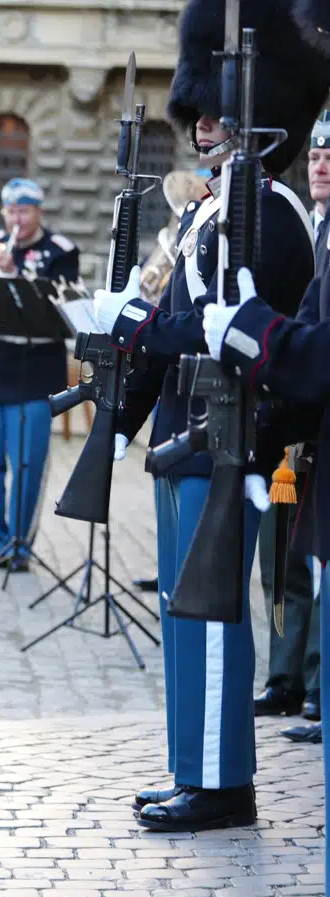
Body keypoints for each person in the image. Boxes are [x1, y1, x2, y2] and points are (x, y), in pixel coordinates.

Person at [89, 0, 324, 832]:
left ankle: (225, 783)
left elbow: (283, 345)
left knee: (220, 615)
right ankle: (192, 763)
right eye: (200, 113)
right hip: (183, 440)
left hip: (233, 443)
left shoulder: (277, 214)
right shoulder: (204, 217)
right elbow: (170, 332)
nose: (203, 127)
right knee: (185, 613)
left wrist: (265, 448)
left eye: (219, 114)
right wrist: (122, 419)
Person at [256, 113, 330, 736]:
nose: (321, 166)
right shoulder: (324, 229)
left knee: (313, 560)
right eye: (315, 158)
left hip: (311, 408)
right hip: (297, 405)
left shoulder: (308, 228)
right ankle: (290, 675)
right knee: (283, 558)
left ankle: (315, 682)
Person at [0, 177, 79, 573]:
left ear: (39, 212)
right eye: (10, 211)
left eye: (24, 211)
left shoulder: (60, 252)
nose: (17, 219)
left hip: (34, 370)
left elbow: (58, 310)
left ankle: (19, 547)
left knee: (28, 465)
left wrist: (15, 275)